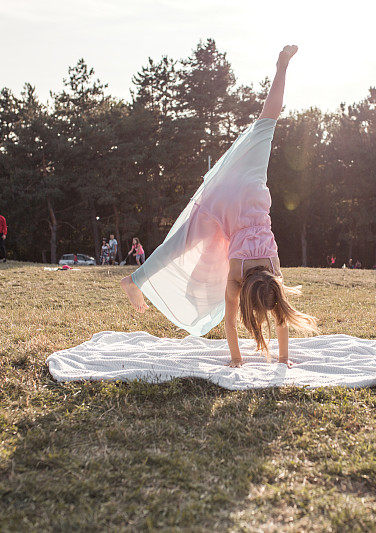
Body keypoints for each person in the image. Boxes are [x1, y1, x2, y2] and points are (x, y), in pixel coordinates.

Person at [120, 45, 317, 368]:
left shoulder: (272, 266)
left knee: (268, 121)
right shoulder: (236, 276)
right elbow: (232, 321)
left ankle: (281, 66)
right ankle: (135, 280)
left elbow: (279, 318)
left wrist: (282, 358)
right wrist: (244, 360)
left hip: (246, 185)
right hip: (222, 206)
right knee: (178, 246)